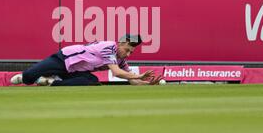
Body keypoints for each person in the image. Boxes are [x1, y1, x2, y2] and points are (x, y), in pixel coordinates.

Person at [10, 34, 161, 87]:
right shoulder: (109, 47)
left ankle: (51, 82)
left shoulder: (120, 59)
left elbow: (132, 81)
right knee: (27, 78)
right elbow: (116, 73)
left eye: (131, 52)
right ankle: (29, 76)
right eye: (127, 49)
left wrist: (147, 83)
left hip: (75, 71)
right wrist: (138, 76)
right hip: (63, 60)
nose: (128, 54)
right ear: (120, 43)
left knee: (92, 80)